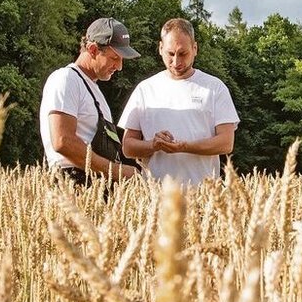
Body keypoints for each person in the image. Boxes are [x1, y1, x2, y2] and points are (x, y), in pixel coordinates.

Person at [119, 17, 239, 185]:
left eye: (183, 54)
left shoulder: (215, 88)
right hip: (156, 198)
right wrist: (154, 145)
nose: (176, 62)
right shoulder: (145, 89)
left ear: (195, 48)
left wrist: (185, 147)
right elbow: (128, 147)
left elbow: (226, 143)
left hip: (204, 196)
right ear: (160, 48)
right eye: (170, 54)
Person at [39, 17, 141, 186]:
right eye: (115, 58)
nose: (120, 66)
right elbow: (63, 141)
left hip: (96, 184)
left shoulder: (93, 89)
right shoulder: (66, 79)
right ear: (93, 49)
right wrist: (117, 171)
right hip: (73, 183)